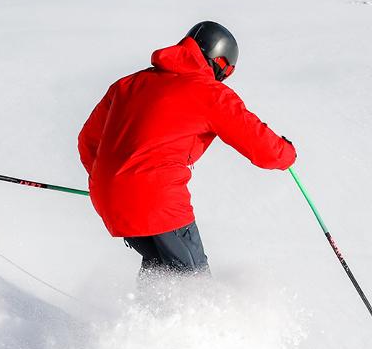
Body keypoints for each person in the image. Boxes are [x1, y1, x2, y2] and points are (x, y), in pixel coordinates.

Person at [77, 21, 296, 275]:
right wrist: (286, 153)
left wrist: (114, 182)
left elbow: (88, 141)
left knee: (160, 268)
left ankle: (143, 314)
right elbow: (262, 147)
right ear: (220, 62)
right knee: (193, 281)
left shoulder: (128, 84)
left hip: (108, 199)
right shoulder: (210, 93)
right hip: (158, 200)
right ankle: (195, 315)